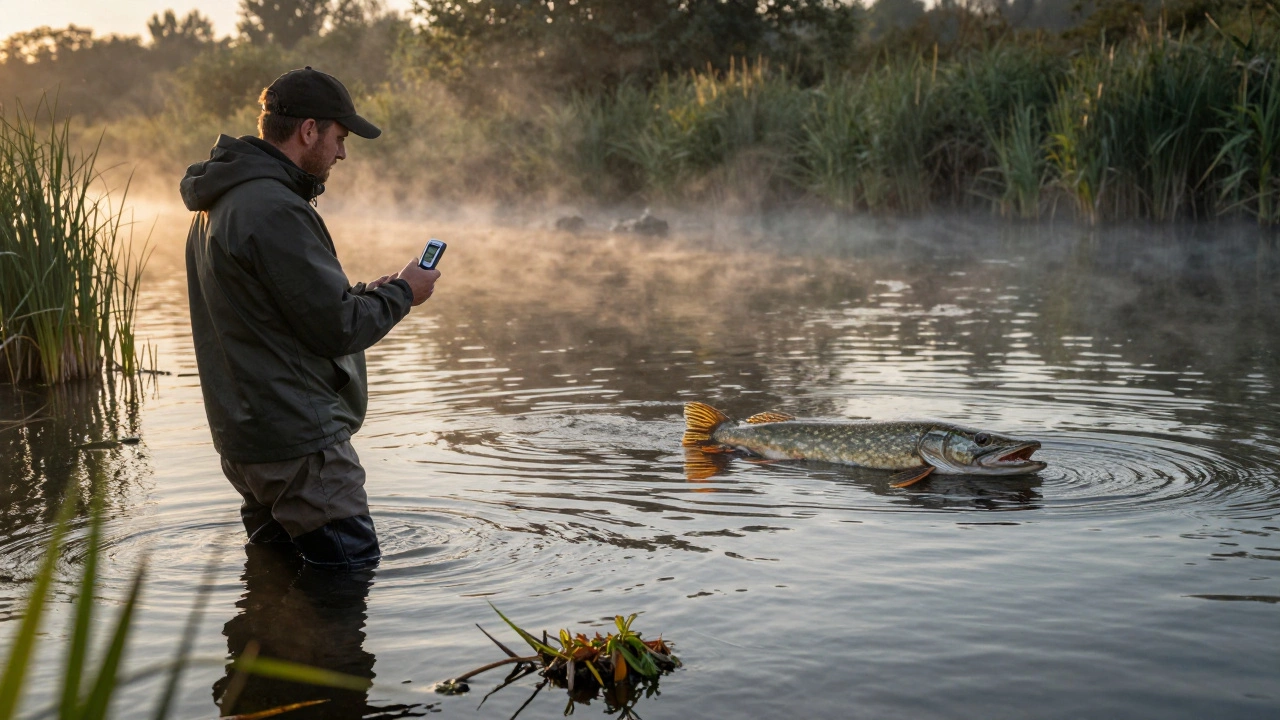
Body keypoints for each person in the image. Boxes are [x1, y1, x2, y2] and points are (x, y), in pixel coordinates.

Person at [181, 67, 438, 571]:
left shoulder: (219, 203)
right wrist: (406, 292)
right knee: (348, 579)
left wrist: (367, 293)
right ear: (308, 131)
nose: (341, 153)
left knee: (274, 578)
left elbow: (275, 311)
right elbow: (337, 328)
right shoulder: (275, 208)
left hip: (247, 441)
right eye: (340, 138)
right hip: (298, 445)